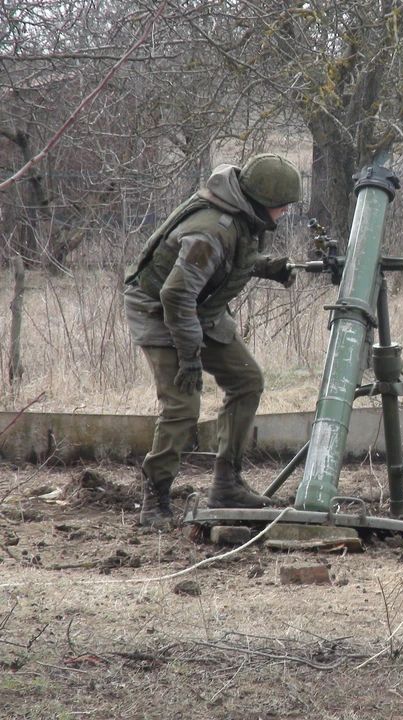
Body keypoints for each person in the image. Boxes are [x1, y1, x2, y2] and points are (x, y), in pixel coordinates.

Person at [123, 153, 301, 529]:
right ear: (262, 202)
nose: (285, 212)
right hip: (160, 311)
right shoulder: (212, 230)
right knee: (182, 406)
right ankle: (155, 499)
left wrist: (268, 267)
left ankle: (226, 484)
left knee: (246, 380)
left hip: (197, 310)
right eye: (282, 206)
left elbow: (230, 258)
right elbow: (175, 295)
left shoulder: (237, 215)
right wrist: (190, 358)